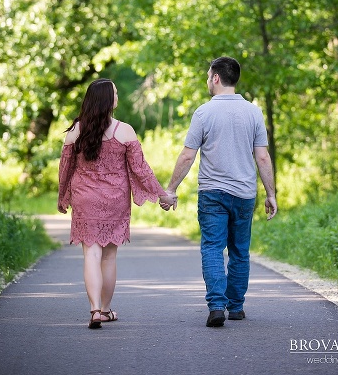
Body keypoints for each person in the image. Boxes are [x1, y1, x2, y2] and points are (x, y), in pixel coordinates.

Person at [161, 56, 278, 327]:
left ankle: (216, 306)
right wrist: (271, 193)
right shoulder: (253, 112)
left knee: (213, 248)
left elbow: (187, 156)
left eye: (207, 75)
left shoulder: (204, 112)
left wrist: (171, 188)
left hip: (212, 193)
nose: (207, 80)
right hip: (245, 194)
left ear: (215, 77)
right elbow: (262, 157)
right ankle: (235, 307)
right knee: (240, 250)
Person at [57, 78, 175, 329]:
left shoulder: (74, 132)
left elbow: (65, 169)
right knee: (109, 257)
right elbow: (141, 170)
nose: (118, 96)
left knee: (91, 252)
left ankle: (94, 310)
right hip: (115, 200)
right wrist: (162, 194)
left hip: (84, 197)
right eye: (116, 92)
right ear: (107, 99)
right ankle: (107, 309)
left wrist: (62, 196)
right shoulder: (125, 131)